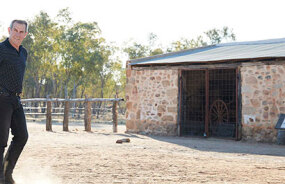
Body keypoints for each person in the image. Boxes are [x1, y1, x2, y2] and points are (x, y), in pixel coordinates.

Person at [0, 20, 29, 184]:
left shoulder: (23, 52)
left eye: (21, 32)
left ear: (25, 34)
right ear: (9, 30)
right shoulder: (1, 49)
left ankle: (6, 173)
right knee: (0, 140)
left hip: (15, 100)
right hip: (1, 99)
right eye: (15, 30)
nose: (17, 34)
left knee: (22, 136)